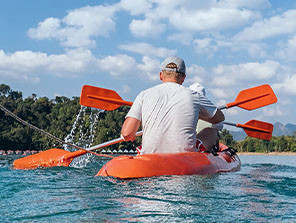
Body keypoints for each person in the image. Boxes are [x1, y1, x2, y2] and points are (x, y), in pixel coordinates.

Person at [121, 56, 224, 155]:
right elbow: (219, 118)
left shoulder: (143, 95)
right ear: (183, 77)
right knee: (211, 131)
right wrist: (196, 113)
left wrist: (132, 134)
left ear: (161, 75)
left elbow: (126, 134)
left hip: (149, 158)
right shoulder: (194, 96)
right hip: (184, 160)